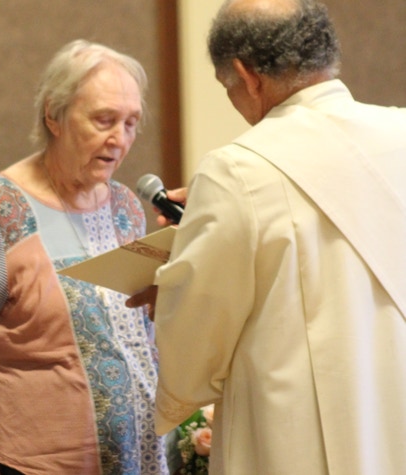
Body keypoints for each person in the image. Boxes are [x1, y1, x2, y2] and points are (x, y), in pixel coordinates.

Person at [151, 0, 406, 474]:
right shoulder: (401, 132)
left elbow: (196, 336)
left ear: (246, 75)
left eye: (227, 87)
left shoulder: (237, 170)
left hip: (297, 440)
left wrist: (169, 288)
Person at [0, 39, 169, 475]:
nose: (120, 139)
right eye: (104, 120)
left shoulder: (126, 206)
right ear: (54, 115)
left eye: (131, 123)